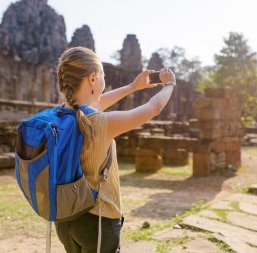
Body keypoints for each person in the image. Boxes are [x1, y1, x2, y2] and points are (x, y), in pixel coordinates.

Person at [54, 46, 176, 253]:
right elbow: (153, 108)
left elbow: (97, 103)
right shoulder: (98, 123)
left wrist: (132, 86)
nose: (103, 80)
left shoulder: (58, 115)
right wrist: (170, 84)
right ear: (93, 78)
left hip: (64, 216)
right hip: (98, 219)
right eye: (102, 75)